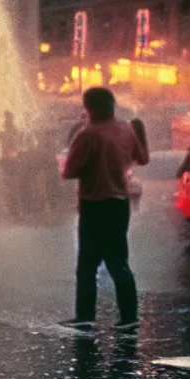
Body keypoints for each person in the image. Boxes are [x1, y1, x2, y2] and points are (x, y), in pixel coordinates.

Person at [60, 88, 149, 332]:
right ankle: (129, 315)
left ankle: (85, 315)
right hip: (120, 204)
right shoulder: (126, 130)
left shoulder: (88, 135)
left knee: (88, 264)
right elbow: (142, 158)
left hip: (94, 204)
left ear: (91, 109)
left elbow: (68, 171)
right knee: (119, 261)